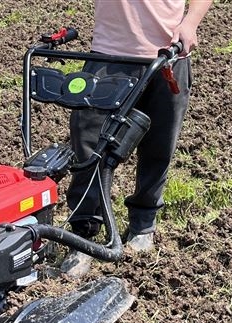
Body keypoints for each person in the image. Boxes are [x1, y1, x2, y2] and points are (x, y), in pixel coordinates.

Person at [61, 0, 213, 278]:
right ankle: (83, 237)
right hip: (109, 55)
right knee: (89, 147)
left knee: (159, 146)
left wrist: (190, 23)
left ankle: (143, 224)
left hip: (169, 55)